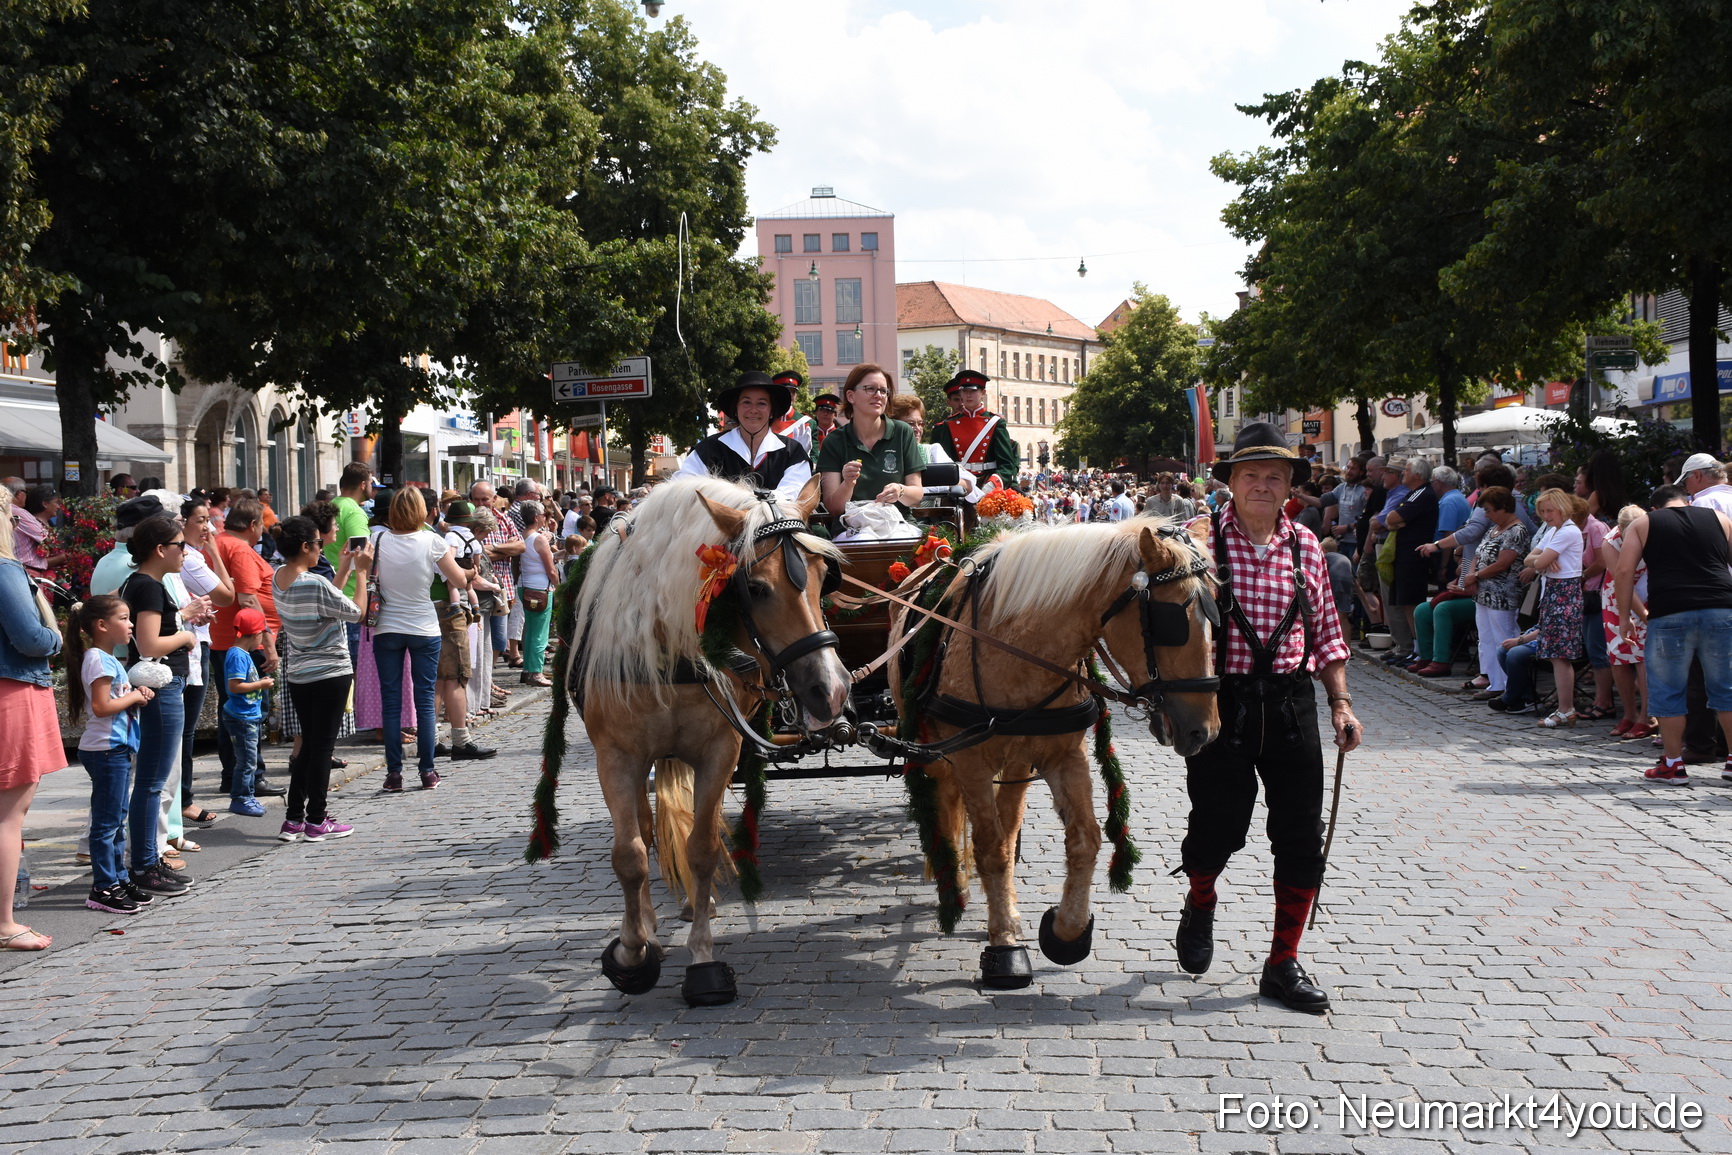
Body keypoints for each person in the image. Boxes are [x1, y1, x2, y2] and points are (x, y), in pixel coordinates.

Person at [1175, 422, 1363, 1014]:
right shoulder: (1197, 540)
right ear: (1230, 482)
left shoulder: (1307, 545)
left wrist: (1340, 702)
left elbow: (1328, 635)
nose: (1261, 485)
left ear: (1289, 488)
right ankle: (1200, 900)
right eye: (1250, 475)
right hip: (1223, 704)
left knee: (1301, 839)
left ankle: (1282, 963)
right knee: (1216, 831)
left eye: (1274, 477)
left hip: (1289, 705)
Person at [1614, 485, 1732, 784]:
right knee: (1726, 689)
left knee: (1668, 690)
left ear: (1655, 508)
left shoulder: (1643, 523)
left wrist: (1625, 616)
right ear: (1687, 501)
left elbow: (1624, 571)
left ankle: (1673, 764)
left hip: (1670, 611)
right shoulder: (1720, 519)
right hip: (1720, 608)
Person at [273, 515, 370, 841]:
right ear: (304, 547)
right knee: (322, 749)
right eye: (317, 544)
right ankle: (317, 818)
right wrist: (361, 573)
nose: (321, 548)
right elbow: (356, 612)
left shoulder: (280, 578)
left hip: (300, 674)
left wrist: (342, 568)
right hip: (329, 672)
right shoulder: (312, 583)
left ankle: (294, 819)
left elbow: (329, 601)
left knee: (309, 746)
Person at [0, 488, 67, 950]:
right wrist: (57, 638)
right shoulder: (4, 567)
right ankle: (4, 924)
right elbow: (29, 637)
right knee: (9, 815)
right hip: (13, 690)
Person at [371, 486, 470, 791]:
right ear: (423, 512)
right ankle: (427, 771)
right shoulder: (431, 541)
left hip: (387, 626)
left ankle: (394, 773)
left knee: (391, 702)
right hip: (424, 626)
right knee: (425, 701)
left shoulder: (378, 539)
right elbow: (459, 580)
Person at [118, 515, 197, 897]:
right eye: (181, 545)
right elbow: (149, 645)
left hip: (164, 685)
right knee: (152, 780)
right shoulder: (147, 586)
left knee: (154, 780)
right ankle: (145, 863)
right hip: (161, 686)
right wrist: (184, 634)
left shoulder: (145, 584)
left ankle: (149, 858)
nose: (185, 551)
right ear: (160, 549)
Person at [65, 596, 153, 914]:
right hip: (105, 750)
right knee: (107, 823)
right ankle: (103, 887)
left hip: (115, 749)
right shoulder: (98, 660)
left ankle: (117, 878)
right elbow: (102, 707)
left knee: (117, 821)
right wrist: (132, 696)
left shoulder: (107, 659)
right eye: (125, 618)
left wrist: (136, 695)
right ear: (102, 625)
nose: (131, 624)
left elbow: (115, 699)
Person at [210, 500, 279, 796]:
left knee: (231, 708)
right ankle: (251, 776)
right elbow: (248, 600)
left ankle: (235, 775)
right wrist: (268, 645)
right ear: (253, 525)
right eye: (261, 525)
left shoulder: (220, 542)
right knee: (249, 710)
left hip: (225, 639)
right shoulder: (238, 549)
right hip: (243, 641)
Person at [176, 494, 234, 832]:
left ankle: (180, 799)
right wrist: (213, 553)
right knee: (183, 731)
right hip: (188, 649)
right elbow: (227, 594)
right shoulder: (190, 558)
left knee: (181, 730)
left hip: (192, 642)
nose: (208, 528)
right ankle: (182, 799)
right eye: (200, 520)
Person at [675, 371, 814, 502]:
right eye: (746, 402)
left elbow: (792, 495)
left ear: (772, 411)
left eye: (762, 403)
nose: (753, 410)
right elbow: (682, 488)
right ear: (735, 409)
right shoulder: (709, 449)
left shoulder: (792, 452)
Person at [816, 364, 925, 517]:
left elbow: (917, 494)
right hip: (852, 530)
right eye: (870, 389)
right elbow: (834, 508)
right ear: (850, 396)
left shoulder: (902, 432)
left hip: (898, 526)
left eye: (883, 391)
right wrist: (847, 483)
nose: (879, 395)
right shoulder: (834, 441)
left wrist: (900, 490)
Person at [1523, 489, 1588, 728]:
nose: (1546, 515)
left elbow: (1537, 561)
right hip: (1554, 593)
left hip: (1563, 594)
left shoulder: (1567, 531)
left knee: (1559, 655)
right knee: (1555, 654)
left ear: (1562, 508)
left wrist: (1540, 561)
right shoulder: (1554, 531)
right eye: (1542, 511)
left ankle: (1565, 708)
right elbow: (1530, 559)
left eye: (1550, 510)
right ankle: (1565, 708)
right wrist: (1539, 561)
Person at [1457, 488, 1529, 700]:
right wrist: (1471, 575)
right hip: (1483, 592)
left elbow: (1503, 563)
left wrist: (1476, 576)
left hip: (1503, 593)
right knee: (1486, 637)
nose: (1486, 515)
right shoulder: (1494, 529)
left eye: (1489, 510)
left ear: (1503, 508)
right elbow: (1478, 555)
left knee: (1503, 636)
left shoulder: (1517, 530)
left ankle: (1510, 686)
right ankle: (1494, 683)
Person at [1600, 502, 1652, 739]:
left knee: (1644, 656)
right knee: (1618, 654)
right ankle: (1629, 714)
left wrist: (1646, 613)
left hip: (1650, 591)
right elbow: (1622, 577)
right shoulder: (1610, 542)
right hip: (1618, 595)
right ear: (1620, 531)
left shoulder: (1654, 532)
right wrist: (1639, 614)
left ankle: (1647, 716)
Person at [1381, 460, 1438, 664]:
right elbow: (1390, 519)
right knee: (1404, 602)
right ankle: (1415, 648)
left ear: (1417, 474)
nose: (1403, 473)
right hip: (1404, 554)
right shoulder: (1413, 492)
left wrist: (1393, 521)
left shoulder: (1423, 493)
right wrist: (1392, 521)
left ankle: (1421, 650)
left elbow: (1394, 517)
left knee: (1412, 603)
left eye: (1406, 470)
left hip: (1414, 556)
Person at [222, 608, 273, 817]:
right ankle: (241, 798)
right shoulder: (237, 655)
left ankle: (247, 796)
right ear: (255, 634)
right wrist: (260, 684)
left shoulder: (242, 654)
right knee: (247, 761)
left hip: (248, 715)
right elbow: (234, 686)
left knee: (248, 760)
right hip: (241, 717)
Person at [928, 370, 1016, 488]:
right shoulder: (949, 424)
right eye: (964, 391)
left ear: (983, 392)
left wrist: (992, 484)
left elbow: (1007, 465)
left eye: (973, 391)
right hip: (959, 483)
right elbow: (942, 462)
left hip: (987, 482)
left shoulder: (995, 422)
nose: (968, 395)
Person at [515, 501, 558, 689]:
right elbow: (551, 569)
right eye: (543, 514)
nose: (544, 517)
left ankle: (529, 669)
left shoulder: (522, 536)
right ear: (536, 517)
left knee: (531, 631)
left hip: (526, 587)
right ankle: (535, 672)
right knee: (540, 634)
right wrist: (560, 587)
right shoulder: (539, 539)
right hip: (540, 590)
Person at [13, 484, 69, 586]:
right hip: (38, 579)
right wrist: (63, 557)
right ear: (45, 504)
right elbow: (35, 561)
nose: (58, 507)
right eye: (56, 503)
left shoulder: (50, 525)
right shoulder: (32, 527)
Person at [768, 370, 815, 454]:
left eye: (792, 392)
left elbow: (814, 456)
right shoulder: (764, 419)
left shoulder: (807, 422)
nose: (789, 395)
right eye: (785, 391)